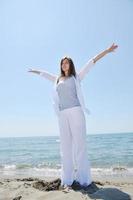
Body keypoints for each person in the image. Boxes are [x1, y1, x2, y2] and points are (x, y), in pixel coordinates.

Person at [28, 43, 118, 190]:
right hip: (62, 115)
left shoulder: (77, 77)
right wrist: (34, 71)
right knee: (65, 148)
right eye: (62, 63)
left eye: (67, 62)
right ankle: (68, 180)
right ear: (61, 65)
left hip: (76, 112)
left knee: (80, 146)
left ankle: (84, 180)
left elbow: (91, 62)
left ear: (71, 65)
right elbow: (45, 75)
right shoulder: (57, 79)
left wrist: (107, 51)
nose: (64, 64)